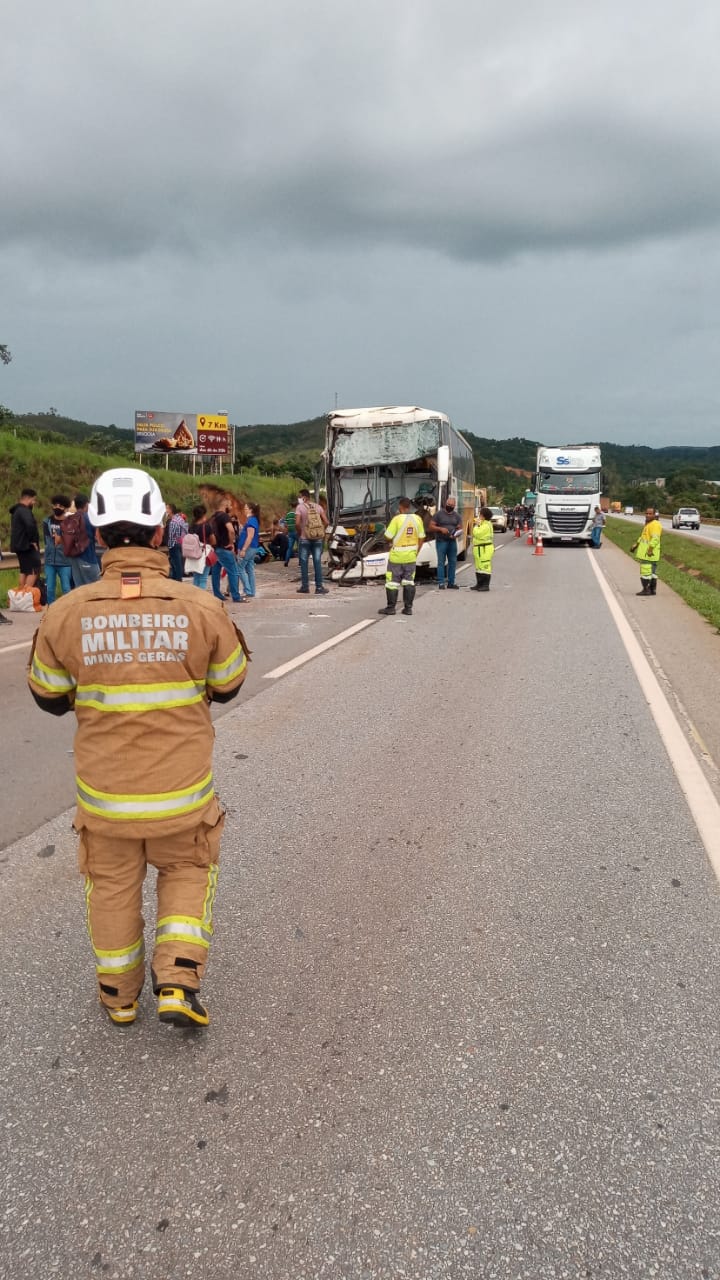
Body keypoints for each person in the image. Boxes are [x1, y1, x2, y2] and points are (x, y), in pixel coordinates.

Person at [27, 467, 249, 1029]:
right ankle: (177, 979)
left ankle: (119, 997)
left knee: (111, 889)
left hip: (106, 798)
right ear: (159, 533)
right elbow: (229, 683)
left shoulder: (65, 611)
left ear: (97, 534)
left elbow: (48, 696)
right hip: (182, 793)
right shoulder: (199, 606)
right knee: (187, 870)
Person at [379, 496, 425, 616]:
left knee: (392, 582)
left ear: (400, 507)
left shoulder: (397, 519)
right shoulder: (417, 519)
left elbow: (388, 536)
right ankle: (408, 608)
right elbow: (422, 537)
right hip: (411, 556)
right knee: (409, 581)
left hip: (396, 556)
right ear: (409, 507)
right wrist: (416, 552)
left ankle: (391, 608)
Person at [296, 488, 329, 595]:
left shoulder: (299, 507)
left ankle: (305, 587)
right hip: (318, 539)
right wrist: (320, 531)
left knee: (304, 562)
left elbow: (296, 523)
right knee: (317, 562)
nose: (299, 499)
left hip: (304, 539)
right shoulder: (318, 506)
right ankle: (319, 587)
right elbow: (326, 521)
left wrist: (301, 532)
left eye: (300, 497)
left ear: (304, 497)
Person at [210, 505, 245, 603]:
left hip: (215, 548)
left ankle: (217, 594)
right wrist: (231, 542)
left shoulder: (212, 518)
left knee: (216, 572)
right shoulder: (224, 516)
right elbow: (231, 530)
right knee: (233, 571)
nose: (230, 505)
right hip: (224, 548)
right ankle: (236, 596)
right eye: (228, 503)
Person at [43, 494, 74, 603]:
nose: (57, 508)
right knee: (50, 589)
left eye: (60, 506)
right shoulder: (47, 522)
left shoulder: (70, 523)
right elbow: (47, 541)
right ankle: (50, 612)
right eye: (55, 505)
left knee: (66, 588)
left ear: (65, 508)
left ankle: (68, 610)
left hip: (65, 561)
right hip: (50, 561)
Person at [66, 494, 101, 585]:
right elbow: (98, 537)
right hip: (88, 557)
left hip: (74, 559)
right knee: (95, 586)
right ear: (86, 505)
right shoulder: (89, 519)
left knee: (79, 588)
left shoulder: (69, 519)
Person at [9, 487, 41, 588]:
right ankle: (26, 595)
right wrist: (33, 541)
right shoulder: (24, 510)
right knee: (34, 569)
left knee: (24, 570)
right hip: (26, 545)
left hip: (19, 545)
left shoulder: (16, 511)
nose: (34, 502)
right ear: (28, 498)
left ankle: (20, 596)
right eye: (33, 500)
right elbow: (30, 525)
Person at [429, 495, 461, 589]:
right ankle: (441, 583)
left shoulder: (457, 516)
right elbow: (431, 526)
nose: (450, 506)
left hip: (452, 541)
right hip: (441, 541)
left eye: (452, 505)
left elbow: (460, 528)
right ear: (445, 504)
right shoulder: (438, 514)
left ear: (454, 506)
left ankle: (451, 582)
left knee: (453, 562)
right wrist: (440, 529)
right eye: (448, 504)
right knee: (441, 562)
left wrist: (456, 533)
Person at [630, 507, 662, 596]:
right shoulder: (649, 524)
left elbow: (655, 538)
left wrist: (650, 549)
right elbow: (644, 537)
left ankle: (646, 590)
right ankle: (652, 590)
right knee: (652, 572)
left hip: (649, 553)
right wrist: (636, 544)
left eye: (650, 513)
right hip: (650, 554)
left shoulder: (655, 525)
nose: (648, 515)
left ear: (654, 514)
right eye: (646, 513)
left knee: (645, 572)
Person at [185, 504, 215, 590]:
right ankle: (201, 598)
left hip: (193, 553)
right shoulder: (206, 526)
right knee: (203, 578)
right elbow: (213, 540)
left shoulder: (191, 526)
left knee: (196, 577)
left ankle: (195, 597)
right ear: (203, 514)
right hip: (203, 553)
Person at [237, 502, 261, 598]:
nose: (244, 509)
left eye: (246, 508)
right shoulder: (252, 520)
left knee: (240, 568)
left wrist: (243, 549)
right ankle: (251, 590)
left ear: (251, 510)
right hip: (253, 547)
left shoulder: (251, 521)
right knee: (250, 568)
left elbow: (249, 536)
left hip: (248, 547)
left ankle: (247, 590)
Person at [471, 505, 495, 591]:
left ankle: (485, 585)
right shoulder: (484, 524)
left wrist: (476, 525)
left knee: (485, 566)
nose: (479, 516)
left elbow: (476, 533)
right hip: (479, 548)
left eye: (480, 514)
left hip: (485, 549)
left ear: (483, 516)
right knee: (479, 566)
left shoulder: (486, 525)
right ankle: (479, 584)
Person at [164, 504, 188, 582]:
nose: (165, 510)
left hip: (174, 544)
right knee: (177, 562)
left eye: (167, 508)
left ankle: (177, 579)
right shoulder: (179, 518)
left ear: (171, 510)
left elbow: (172, 535)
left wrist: (170, 545)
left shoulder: (173, 521)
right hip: (180, 543)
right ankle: (176, 578)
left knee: (176, 563)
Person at [283, 499, 298, 565]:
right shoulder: (296, 514)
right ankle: (300, 562)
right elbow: (297, 523)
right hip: (296, 531)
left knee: (289, 547)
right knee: (300, 547)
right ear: (296, 506)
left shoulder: (288, 514)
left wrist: (287, 532)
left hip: (290, 532)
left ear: (291, 506)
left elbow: (285, 525)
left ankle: (286, 561)